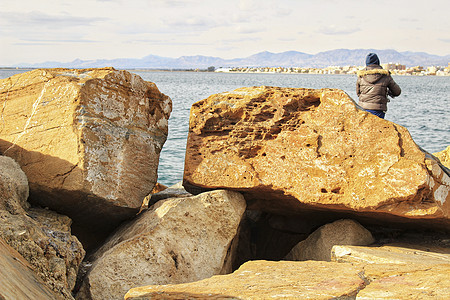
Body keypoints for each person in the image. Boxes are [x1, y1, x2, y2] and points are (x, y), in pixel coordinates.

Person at [356, 53, 401, 119]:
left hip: (363, 108)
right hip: (378, 110)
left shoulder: (361, 76)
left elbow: (358, 93)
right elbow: (397, 92)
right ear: (378, 62)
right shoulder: (385, 75)